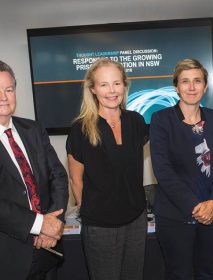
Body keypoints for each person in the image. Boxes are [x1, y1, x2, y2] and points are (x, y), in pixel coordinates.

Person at [150, 58, 213, 280]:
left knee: (206, 272)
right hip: (176, 215)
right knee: (179, 274)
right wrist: (196, 207)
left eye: (197, 81)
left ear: (205, 86)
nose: (192, 87)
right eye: (185, 81)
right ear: (176, 87)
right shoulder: (161, 120)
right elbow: (163, 171)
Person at [66, 58, 148, 280]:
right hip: (100, 225)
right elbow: (76, 180)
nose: (112, 91)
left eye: (117, 83)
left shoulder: (137, 121)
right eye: (104, 85)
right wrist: (90, 212)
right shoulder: (80, 129)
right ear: (93, 89)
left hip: (136, 219)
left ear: (124, 85)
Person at [0, 60, 68, 279]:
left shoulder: (34, 128)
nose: (3, 97)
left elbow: (57, 176)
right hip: (9, 256)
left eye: (8, 89)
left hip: (47, 250)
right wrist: (40, 225)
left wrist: (53, 223)